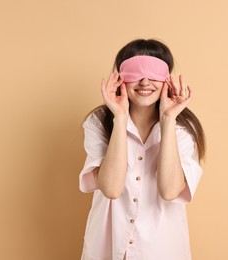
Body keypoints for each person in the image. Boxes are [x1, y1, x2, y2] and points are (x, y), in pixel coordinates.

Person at [79, 39, 206, 260]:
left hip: (161, 248)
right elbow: (111, 189)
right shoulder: (99, 121)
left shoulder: (184, 128)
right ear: (120, 77)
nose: (145, 80)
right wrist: (119, 118)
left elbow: (169, 190)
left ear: (167, 79)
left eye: (154, 72)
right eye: (135, 72)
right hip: (107, 247)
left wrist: (168, 119)